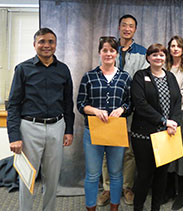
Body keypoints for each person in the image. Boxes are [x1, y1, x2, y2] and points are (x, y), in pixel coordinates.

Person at [7, 27, 75, 211]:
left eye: (50, 41)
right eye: (42, 41)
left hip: (57, 127)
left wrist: (69, 130)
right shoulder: (23, 69)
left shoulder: (63, 69)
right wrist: (14, 136)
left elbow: (68, 102)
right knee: (27, 177)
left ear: (56, 44)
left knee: (52, 178)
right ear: (34, 44)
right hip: (29, 128)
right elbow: (13, 104)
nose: (46, 45)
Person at [99, 14, 148, 206]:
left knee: (129, 151)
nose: (127, 29)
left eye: (131, 26)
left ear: (135, 30)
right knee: (106, 150)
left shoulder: (142, 52)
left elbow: (143, 81)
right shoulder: (110, 47)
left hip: (131, 110)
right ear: (119, 27)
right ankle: (108, 188)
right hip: (108, 110)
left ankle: (127, 187)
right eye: (124, 25)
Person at [77, 36, 131, 211]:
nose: (108, 53)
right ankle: (91, 208)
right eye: (105, 50)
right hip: (93, 131)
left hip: (116, 131)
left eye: (112, 50)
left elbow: (130, 103)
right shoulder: (89, 76)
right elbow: (80, 104)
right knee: (93, 175)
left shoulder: (125, 77)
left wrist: (122, 109)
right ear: (100, 52)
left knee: (116, 174)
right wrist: (94, 110)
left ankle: (114, 208)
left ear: (117, 54)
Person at [130, 43, 181, 211]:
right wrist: (164, 121)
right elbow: (140, 104)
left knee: (161, 175)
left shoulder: (171, 77)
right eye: (154, 55)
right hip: (144, 135)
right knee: (144, 175)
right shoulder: (140, 76)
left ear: (165, 57)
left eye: (161, 55)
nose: (158, 57)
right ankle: (138, 207)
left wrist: (173, 122)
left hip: (167, 135)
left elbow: (177, 101)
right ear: (148, 58)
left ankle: (155, 208)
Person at [163, 35, 183, 210]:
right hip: (165, 115)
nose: (175, 48)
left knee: (182, 154)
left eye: (178, 46)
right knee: (168, 153)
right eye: (172, 46)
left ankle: (181, 193)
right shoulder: (165, 66)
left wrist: (164, 98)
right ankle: (168, 191)